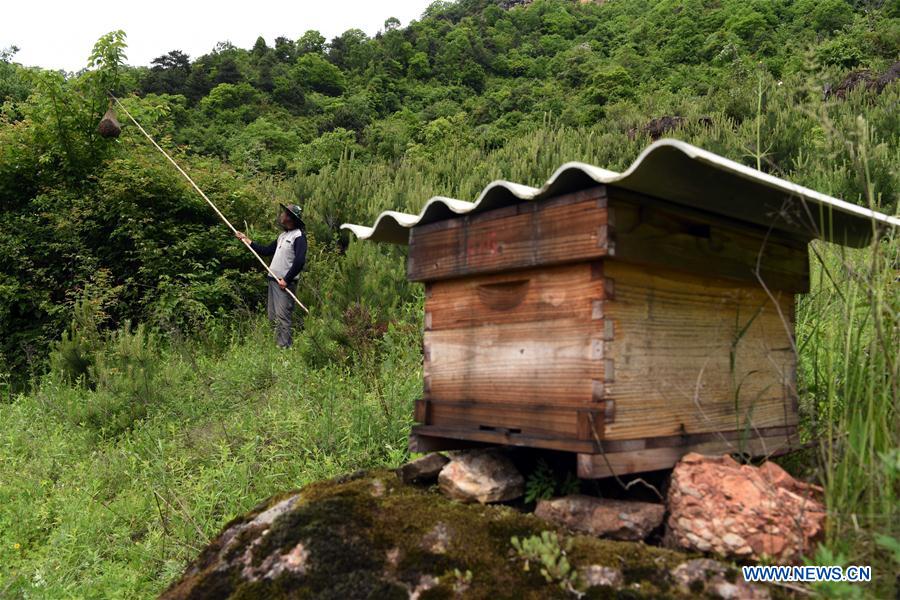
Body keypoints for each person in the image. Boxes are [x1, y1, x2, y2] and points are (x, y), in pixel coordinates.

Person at [235, 204, 307, 348]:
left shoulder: (299, 237)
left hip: (284, 284)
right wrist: (246, 240)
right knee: (272, 316)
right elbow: (266, 250)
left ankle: (284, 348)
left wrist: (286, 280)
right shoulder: (282, 236)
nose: (281, 215)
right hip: (273, 280)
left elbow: (299, 261)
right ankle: (277, 346)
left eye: (284, 213)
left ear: (290, 218)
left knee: (283, 317)